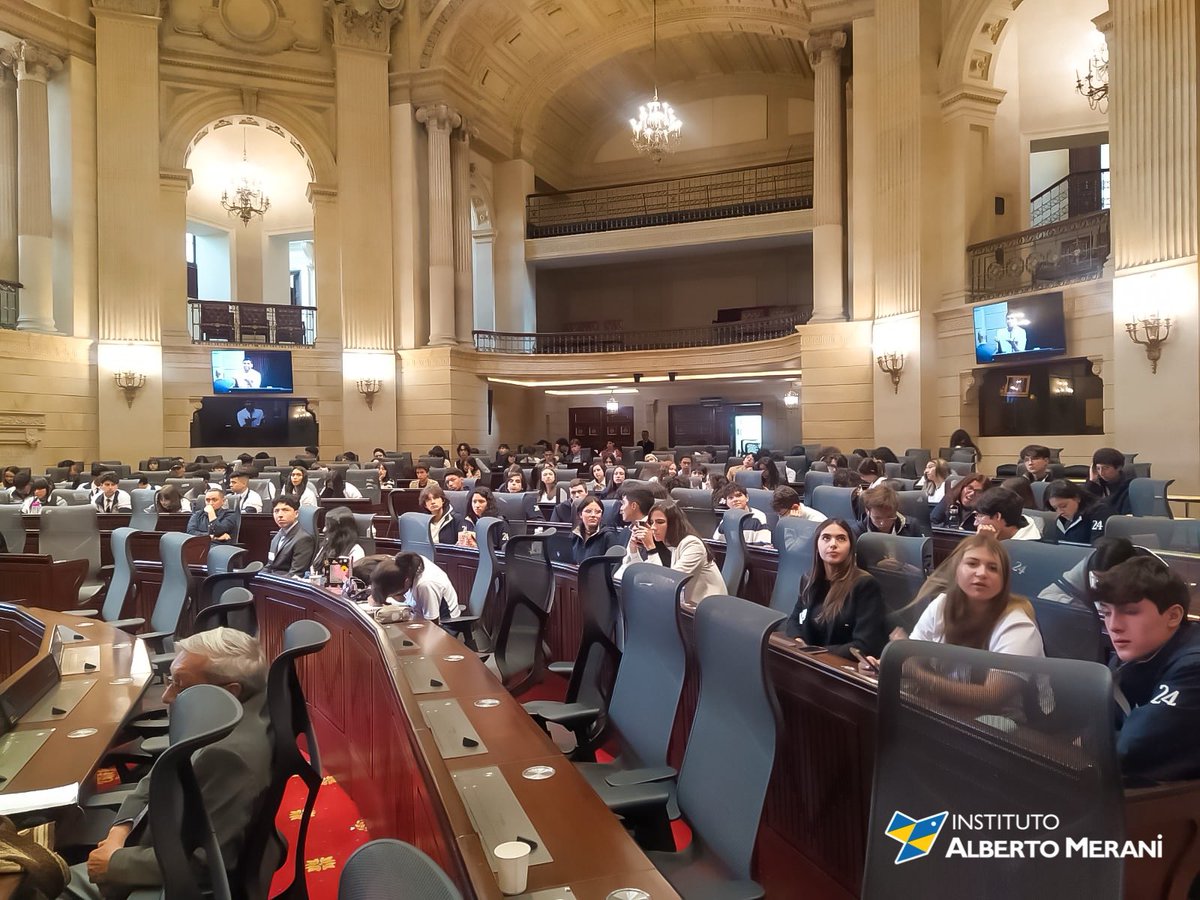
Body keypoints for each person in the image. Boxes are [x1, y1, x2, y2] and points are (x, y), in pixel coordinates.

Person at [65, 628, 273, 899]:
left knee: (50, 886)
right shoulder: (230, 715)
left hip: (168, 881)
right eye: (169, 680)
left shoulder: (228, 757)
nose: (167, 696)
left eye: (180, 685)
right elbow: (164, 769)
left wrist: (113, 863)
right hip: (155, 839)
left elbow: (204, 864)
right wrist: (119, 831)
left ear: (230, 691)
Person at [864, 535, 1044, 718]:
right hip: (949, 709)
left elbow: (990, 697)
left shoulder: (1017, 626)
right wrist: (883, 666)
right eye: (972, 564)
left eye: (993, 568)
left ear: (1004, 580)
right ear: (956, 570)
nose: (982, 573)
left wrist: (915, 671)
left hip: (1010, 726)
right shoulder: (942, 604)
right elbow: (911, 658)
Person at [1094, 556, 1200, 783]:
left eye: (1130, 612)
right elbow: (1096, 722)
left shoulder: (1194, 668)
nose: (1114, 626)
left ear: (1173, 616)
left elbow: (1130, 750)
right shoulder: (1132, 654)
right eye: (1107, 612)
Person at [784, 519, 887, 658]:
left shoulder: (865, 584)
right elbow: (794, 620)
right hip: (809, 661)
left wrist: (814, 652)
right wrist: (798, 640)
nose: (833, 544)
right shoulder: (809, 579)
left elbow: (865, 645)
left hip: (840, 667)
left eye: (841, 539)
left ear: (850, 547)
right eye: (826, 538)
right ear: (816, 545)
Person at [619, 499, 725, 607]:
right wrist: (633, 549)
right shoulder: (671, 545)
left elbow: (667, 583)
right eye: (651, 523)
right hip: (688, 606)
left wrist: (651, 548)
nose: (653, 528)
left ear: (673, 523)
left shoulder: (692, 544)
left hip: (708, 609)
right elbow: (642, 574)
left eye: (660, 522)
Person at [1038, 536, 1137, 606]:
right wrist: (1079, 606)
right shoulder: (1088, 565)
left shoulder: (1143, 574)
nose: (1101, 583)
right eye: (1098, 577)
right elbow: (1046, 596)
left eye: (1108, 578)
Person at [370, 552, 462, 621]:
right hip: (417, 613)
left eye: (394, 594)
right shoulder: (408, 564)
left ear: (406, 582)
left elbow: (433, 624)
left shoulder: (425, 585)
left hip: (444, 622)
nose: (394, 596)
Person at [263, 497, 315, 576]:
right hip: (273, 581)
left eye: (285, 510)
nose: (280, 515)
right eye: (276, 511)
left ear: (296, 513)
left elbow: (296, 574)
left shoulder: (303, 539)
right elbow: (269, 566)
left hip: (285, 585)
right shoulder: (277, 536)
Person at [1045, 479, 1105, 544]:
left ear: (1077, 498)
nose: (1060, 512)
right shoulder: (1059, 520)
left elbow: (1098, 548)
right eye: (1055, 508)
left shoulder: (1099, 512)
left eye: (1063, 506)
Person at [973, 486, 1042, 540]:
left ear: (997, 516)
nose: (975, 523)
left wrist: (986, 542)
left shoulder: (1026, 549)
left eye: (980, 516)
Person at [1083, 447, 1135, 516]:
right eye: (1098, 468)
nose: (1101, 472)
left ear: (1119, 467)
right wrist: (1092, 482)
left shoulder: (1128, 487)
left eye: (1106, 468)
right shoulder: (1095, 482)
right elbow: (1083, 508)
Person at [858, 485, 923, 537]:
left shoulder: (912, 526)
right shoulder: (857, 531)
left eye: (889, 517)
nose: (883, 524)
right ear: (867, 511)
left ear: (896, 511)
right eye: (877, 518)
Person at [571, 494, 617, 562]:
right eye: (588, 511)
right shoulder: (575, 534)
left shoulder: (608, 536)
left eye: (598, 512)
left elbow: (613, 565)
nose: (593, 515)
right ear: (580, 514)